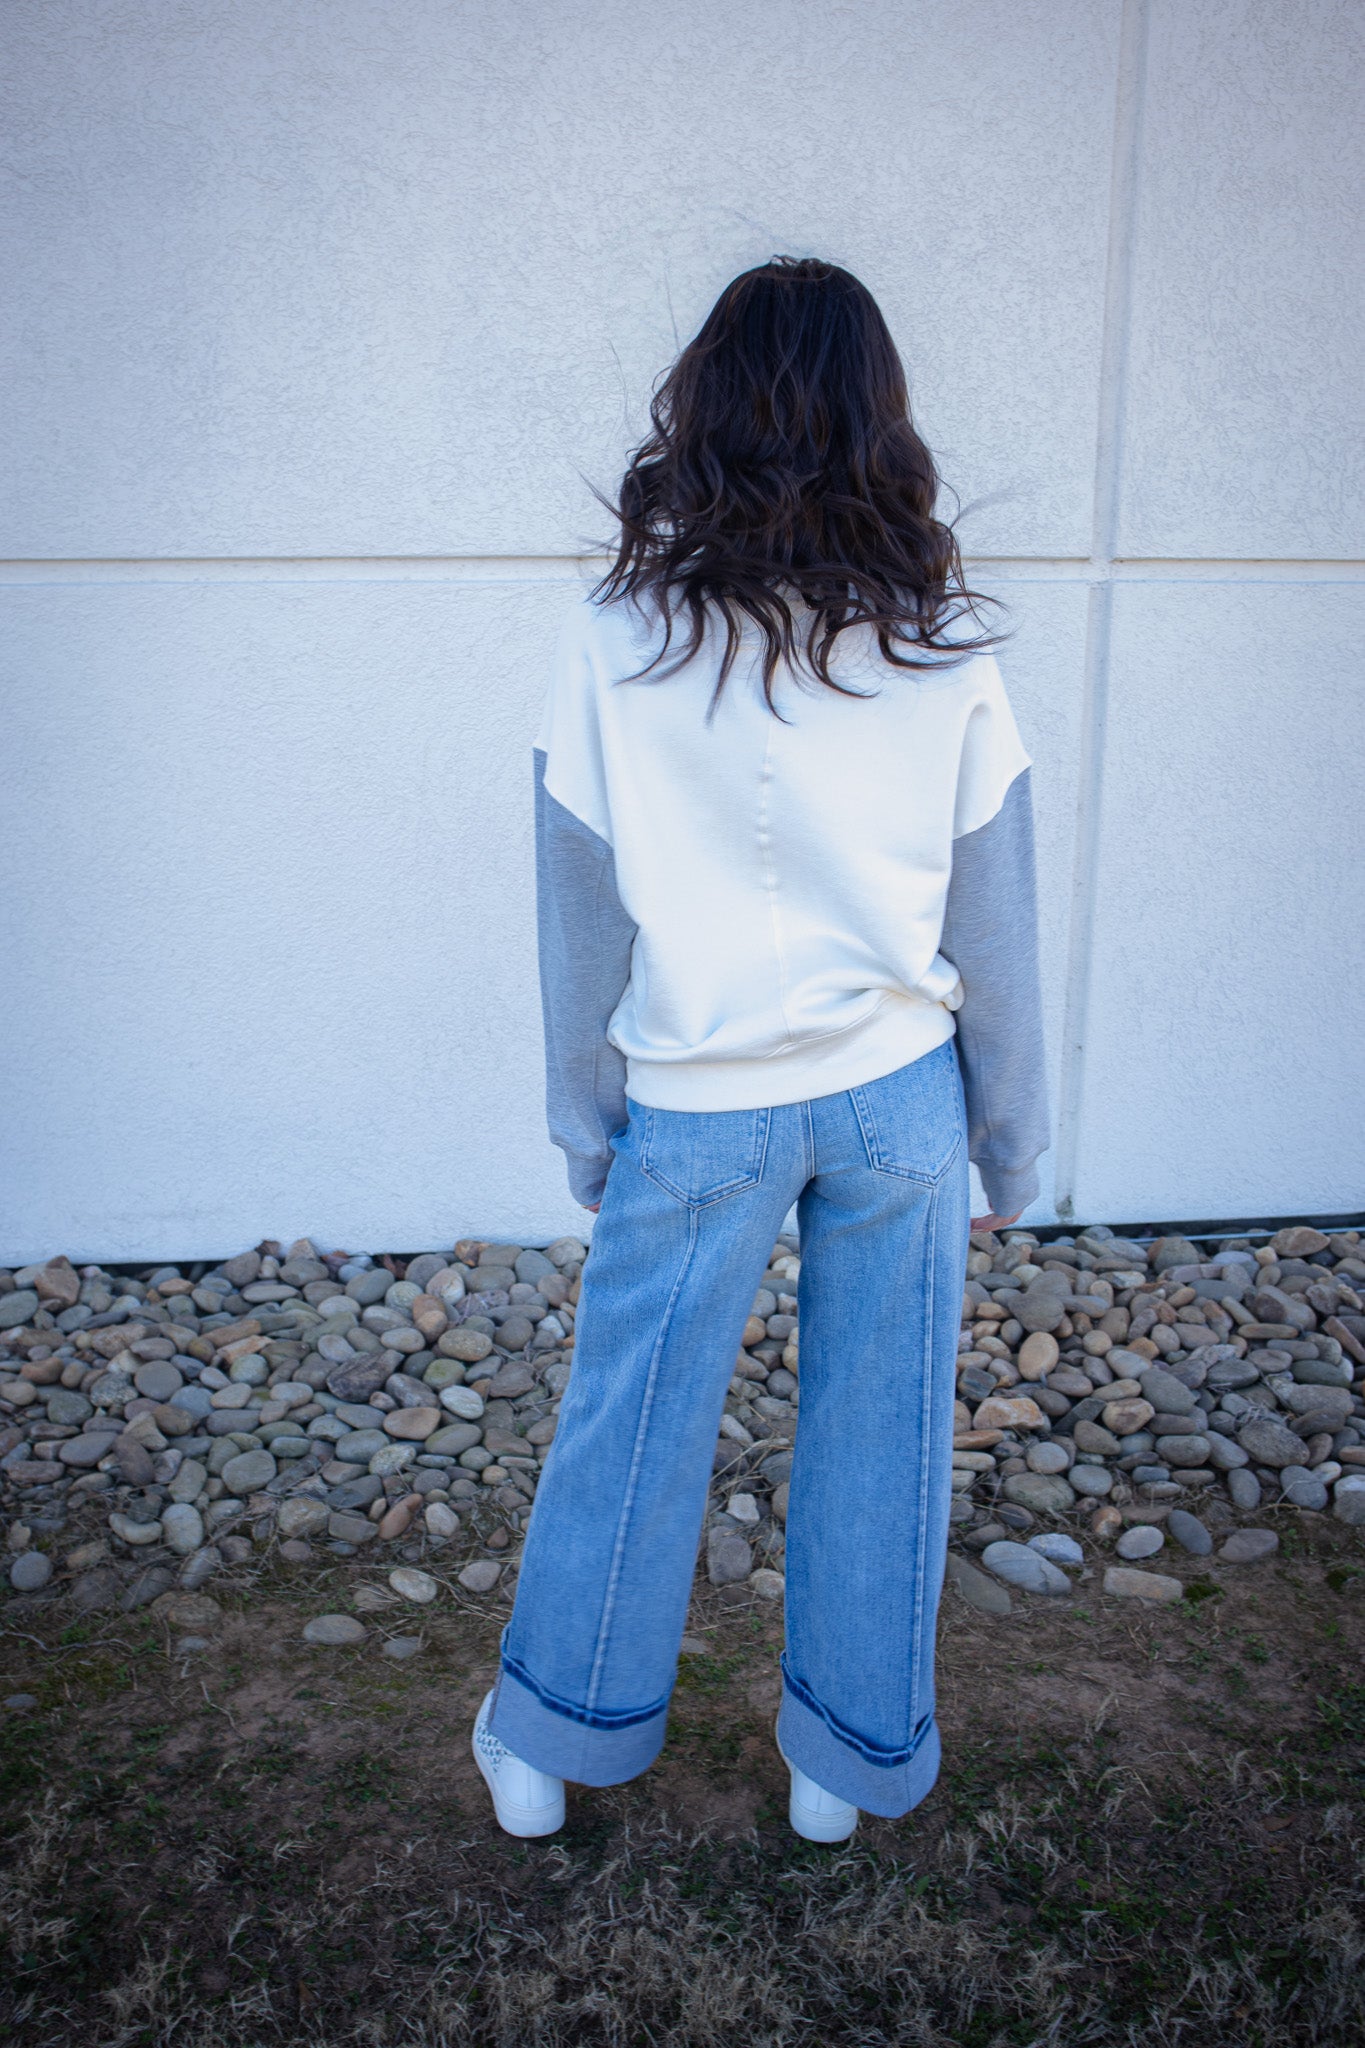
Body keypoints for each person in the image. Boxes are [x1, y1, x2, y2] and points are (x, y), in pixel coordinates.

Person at [471, 256, 1049, 1842]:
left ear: (701, 408)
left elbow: (575, 909)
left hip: (699, 1104)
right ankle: (840, 1766)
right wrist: (1011, 1136)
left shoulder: (615, 637)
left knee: (633, 1419)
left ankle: (548, 1749)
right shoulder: (936, 644)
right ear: (883, 419)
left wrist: (583, 1119)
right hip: (896, 1104)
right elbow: (992, 919)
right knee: (884, 1435)